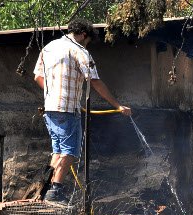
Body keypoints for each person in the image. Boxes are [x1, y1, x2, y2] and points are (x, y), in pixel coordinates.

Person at [33, 19, 131, 204]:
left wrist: (53, 93)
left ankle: (46, 189)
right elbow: (95, 81)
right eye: (88, 40)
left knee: (58, 150)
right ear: (84, 35)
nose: (87, 44)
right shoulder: (80, 51)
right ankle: (55, 191)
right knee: (70, 152)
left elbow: (37, 76)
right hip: (68, 109)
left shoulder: (49, 47)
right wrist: (117, 105)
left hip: (50, 108)